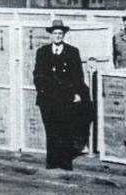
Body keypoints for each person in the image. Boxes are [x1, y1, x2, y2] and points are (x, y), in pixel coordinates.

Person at [32, 19, 90, 170]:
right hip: (48, 99)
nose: (57, 36)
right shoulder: (42, 52)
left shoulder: (72, 52)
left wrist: (77, 93)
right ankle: (52, 161)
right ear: (50, 35)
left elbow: (78, 75)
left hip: (66, 97)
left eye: (60, 33)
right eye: (55, 33)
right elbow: (37, 74)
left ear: (64, 35)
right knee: (51, 129)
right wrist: (42, 91)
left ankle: (65, 161)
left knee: (66, 129)